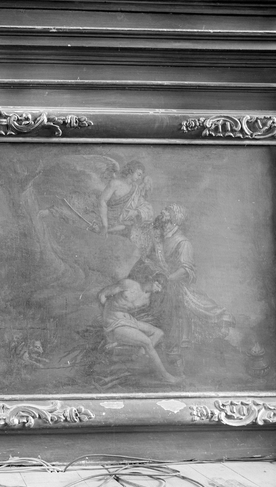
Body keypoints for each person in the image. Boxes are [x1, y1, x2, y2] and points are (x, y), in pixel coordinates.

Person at [136, 204, 235, 356]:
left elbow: (185, 270)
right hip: (156, 281)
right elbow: (148, 259)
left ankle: (170, 344)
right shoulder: (159, 237)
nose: (162, 211)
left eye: (167, 211)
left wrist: (166, 280)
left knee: (172, 303)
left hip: (173, 285)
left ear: (175, 219)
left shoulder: (182, 242)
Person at [98, 274, 181, 384]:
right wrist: (108, 314)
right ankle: (165, 376)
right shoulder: (128, 284)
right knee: (147, 342)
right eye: (158, 285)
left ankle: (138, 355)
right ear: (152, 280)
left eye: (161, 288)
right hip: (113, 322)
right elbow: (102, 295)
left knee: (159, 333)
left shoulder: (147, 299)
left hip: (127, 320)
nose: (158, 290)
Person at [99, 160, 154, 238]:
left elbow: (141, 204)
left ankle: (109, 230)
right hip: (106, 218)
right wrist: (105, 225)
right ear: (131, 171)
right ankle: (106, 229)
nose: (140, 178)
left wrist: (139, 212)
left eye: (141, 176)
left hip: (120, 222)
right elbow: (102, 201)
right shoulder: (115, 183)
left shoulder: (135, 188)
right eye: (138, 174)